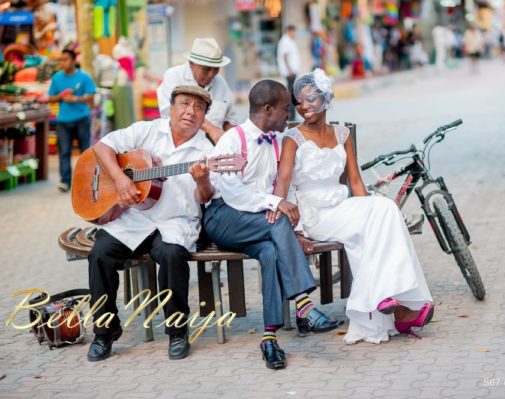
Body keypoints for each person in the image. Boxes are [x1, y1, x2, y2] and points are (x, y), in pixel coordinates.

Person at [274, 69, 434, 345]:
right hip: (313, 215)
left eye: (311, 99)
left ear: (326, 98)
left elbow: (356, 182)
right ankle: (396, 306)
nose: (304, 106)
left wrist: (366, 210)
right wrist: (295, 231)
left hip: (341, 206)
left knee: (385, 209)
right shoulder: (292, 139)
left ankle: (391, 298)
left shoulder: (342, 133)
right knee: (379, 214)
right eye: (298, 101)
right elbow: (282, 190)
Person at [205, 79, 343, 370]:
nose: (288, 116)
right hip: (224, 218)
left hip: (260, 222)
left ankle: (269, 338)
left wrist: (293, 225)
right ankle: (304, 306)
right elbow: (231, 192)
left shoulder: (280, 142)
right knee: (277, 221)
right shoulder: (234, 139)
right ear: (267, 109)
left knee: (270, 251)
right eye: (284, 109)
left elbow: (287, 186)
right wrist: (273, 203)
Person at [86, 85, 214, 362]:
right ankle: (104, 331)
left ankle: (177, 331)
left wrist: (202, 180)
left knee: (171, 255)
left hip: (176, 221)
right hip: (134, 218)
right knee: (100, 254)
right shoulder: (146, 130)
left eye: (199, 108)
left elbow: (204, 198)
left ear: (204, 117)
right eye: (184, 104)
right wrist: (120, 179)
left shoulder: (207, 151)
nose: (190, 111)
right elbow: (101, 147)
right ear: (171, 108)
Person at [157, 38, 237, 145]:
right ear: (191, 63)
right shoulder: (174, 76)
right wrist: (212, 129)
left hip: (215, 147)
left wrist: (233, 140)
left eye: (216, 69)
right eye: (206, 69)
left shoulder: (221, 83)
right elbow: (171, 115)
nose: (211, 74)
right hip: (180, 144)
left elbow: (230, 120)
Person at [47, 49, 96, 192]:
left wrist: (75, 99)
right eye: (61, 59)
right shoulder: (56, 78)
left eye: (66, 59)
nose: (63, 62)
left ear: (74, 60)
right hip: (63, 121)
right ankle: (65, 182)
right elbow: (50, 98)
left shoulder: (84, 77)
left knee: (85, 152)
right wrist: (62, 96)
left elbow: (91, 96)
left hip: (82, 119)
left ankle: (88, 182)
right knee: (64, 152)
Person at [277, 25, 301, 121]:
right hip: (289, 73)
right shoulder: (285, 41)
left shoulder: (290, 41)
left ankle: (293, 116)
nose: (294, 34)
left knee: (292, 93)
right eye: (293, 31)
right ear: (289, 31)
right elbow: (284, 56)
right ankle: (291, 117)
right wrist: (290, 70)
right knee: (291, 95)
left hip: (292, 72)